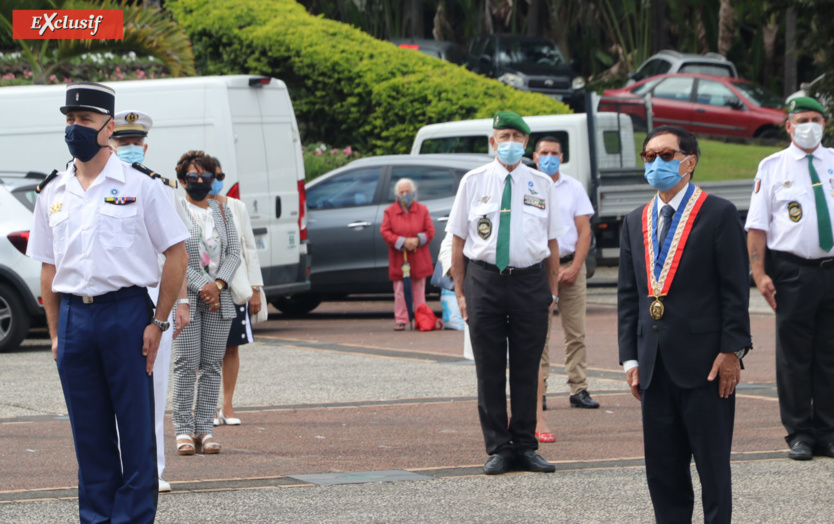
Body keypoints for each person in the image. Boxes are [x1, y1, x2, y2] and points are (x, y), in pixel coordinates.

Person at [26, 82, 189, 524]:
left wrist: (158, 321)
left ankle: (133, 518)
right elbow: (48, 268)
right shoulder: (53, 192)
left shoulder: (143, 187)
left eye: (84, 120)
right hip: (76, 319)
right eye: (69, 120)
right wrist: (57, 333)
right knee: (90, 437)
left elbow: (177, 254)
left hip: (126, 314)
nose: (74, 128)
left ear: (108, 127)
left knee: (136, 432)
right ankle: (96, 518)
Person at [618, 126, 752, 523]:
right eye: (648, 157)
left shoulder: (718, 213)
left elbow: (734, 289)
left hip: (707, 366)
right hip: (654, 367)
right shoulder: (634, 221)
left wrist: (732, 351)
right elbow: (630, 296)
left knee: (712, 470)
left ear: (688, 162)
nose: (656, 163)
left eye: (665, 155)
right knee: (663, 472)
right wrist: (630, 359)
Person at [447, 111, 564, 475]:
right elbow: (458, 239)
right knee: (490, 368)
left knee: (528, 367)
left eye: (517, 135)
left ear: (526, 143)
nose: (510, 141)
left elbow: (552, 242)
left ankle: (526, 446)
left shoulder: (542, 183)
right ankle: (498, 446)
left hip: (530, 282)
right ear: (492, 141)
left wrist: (552, 293)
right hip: (484, 281)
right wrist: (461, 293)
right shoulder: (473, 181)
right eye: (504, 135)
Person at [745, 96, 834, 461]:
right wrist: (759, 272)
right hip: (793, 270)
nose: (809, 125)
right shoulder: (772, 166)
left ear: (825, 124)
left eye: (816, 118)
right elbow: (757, 225)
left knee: (830, 355)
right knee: (794, 357)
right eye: (802, 119)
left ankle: (828, 432)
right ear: (789, 126)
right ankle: (799, 432)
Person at [109, 109, 191, 493]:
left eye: (134, 143)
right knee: (107, 392)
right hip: (113, 297)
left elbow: (177, 252)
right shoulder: (95, 186)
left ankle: (152, 470)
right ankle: (117, 470)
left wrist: (182, 302)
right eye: (121, 142)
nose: (128, 148)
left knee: (154, 385)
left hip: (156, 295)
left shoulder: (160, 187)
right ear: (109, 142)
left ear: (145, 146)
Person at [172, 151, 241, 456]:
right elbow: (173, 256)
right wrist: (203, 286)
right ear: (181, 178)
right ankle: (183, 431)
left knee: (212, 365)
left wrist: (219, 285)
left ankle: (205, 429)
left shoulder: (222, 212)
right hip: (187, 297)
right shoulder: (174, 209)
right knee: (186, 364)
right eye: (193, 176)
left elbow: (235, 254)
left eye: (206, 176)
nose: (199, 181)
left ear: (214, 179)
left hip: (219, 300)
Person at [532, 136, 597, 442]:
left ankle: (579, 389)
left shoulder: (573, 188)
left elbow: (584, 231)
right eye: (543, 153)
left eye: (554, 153)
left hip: (573, 265)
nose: (548, 157)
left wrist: (574, 267)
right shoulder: (528, 186)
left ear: (561, 157)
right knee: (538, 335)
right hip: (541, 269)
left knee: (576, 332)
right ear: (534, 156)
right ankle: (539, 393)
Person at [207, 157, 264, 426]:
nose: (217, 180)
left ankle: (227, 406)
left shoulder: (236, 207)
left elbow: (249, 249)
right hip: (203, 290)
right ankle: (204, 407)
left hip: (234, 287)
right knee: (201, 351)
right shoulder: (188, 207)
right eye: (211, 175)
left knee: (231, 348)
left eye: (220, 174)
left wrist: (255, 289)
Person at [380, 178, 435, 330]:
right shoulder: (389, 212)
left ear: (414, 193)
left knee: (419, 290)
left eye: (408, 191)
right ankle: (401, 319)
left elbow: (430, 232)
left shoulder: (422, 209)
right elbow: (385, 232)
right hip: (400, 258)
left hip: (419, 257)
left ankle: (420, 318)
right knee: (399, 290)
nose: (405, 194)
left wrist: (417, 240)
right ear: (397, 195)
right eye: (402, 192)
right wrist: (402, 241)